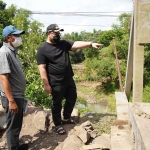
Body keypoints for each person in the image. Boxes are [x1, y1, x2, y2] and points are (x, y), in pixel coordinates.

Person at [36, 24, 103, 135]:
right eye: (56, 33)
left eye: (59, 33)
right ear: (48, 33)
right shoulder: (42, 49)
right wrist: (46, 84)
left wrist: (91, 44)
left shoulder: (63, 43)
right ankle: (57, 124)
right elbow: (42, 68)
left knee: (72, 97)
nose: (58, 34)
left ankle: (66, 118)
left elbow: (76, 44)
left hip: (68, 79)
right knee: (57, 103)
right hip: (55, 82)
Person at [0, 25, 28, 150]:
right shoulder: (4, 52)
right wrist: (11, 101)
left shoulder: (12, 52)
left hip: (17, 95)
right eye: (16, 35)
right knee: (12, 126)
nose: (19, 37)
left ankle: (15, 146)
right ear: (8, 38)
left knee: (16, 124)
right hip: (12, 97)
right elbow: (3, 77)